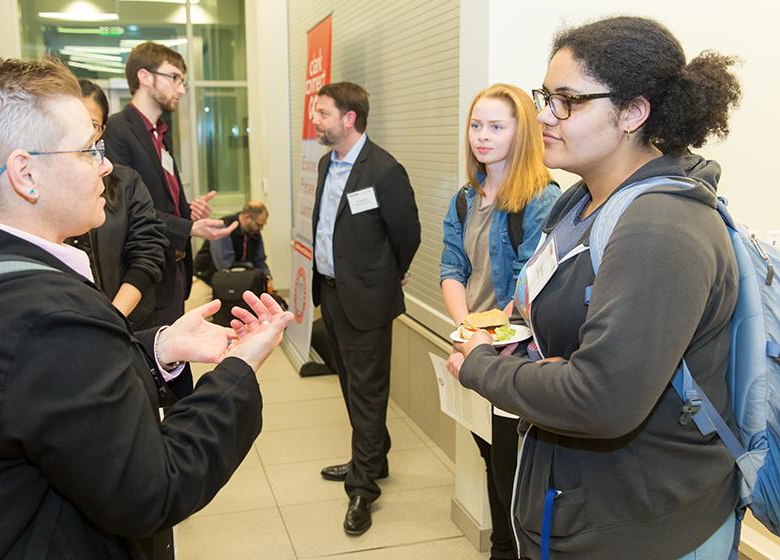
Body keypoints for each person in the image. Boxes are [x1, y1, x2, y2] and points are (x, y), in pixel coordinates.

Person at [0, 56, 293, 560]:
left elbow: (43, 395)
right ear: (25, 174)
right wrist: (237, 369)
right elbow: (153, 488)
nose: (105, 166)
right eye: (86, 151)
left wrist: (157, 346)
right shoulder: (49, 317)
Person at [446, 16, 742, 560]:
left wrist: (481, 368)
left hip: (647, 528)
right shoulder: (575, 203)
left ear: (632, 112)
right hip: (581, 505)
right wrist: (521, 345)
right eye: (545, 96)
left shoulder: (661, 228)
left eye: (567, 101)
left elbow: (603, 399)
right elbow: (548, 317)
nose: (543, 116)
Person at [440, 83, 559, 560]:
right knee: (488, 453)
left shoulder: (541, 197)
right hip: (475, 346)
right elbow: (452, 268)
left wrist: (485, 338)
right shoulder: (466, 199)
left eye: (496, 126)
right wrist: (467, 328)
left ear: (521, 131)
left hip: (515, 354)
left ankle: (508, 551)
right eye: (476, 125)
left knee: (513, 467)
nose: (482, 136)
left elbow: (527, 282)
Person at [311, 82, 421, 535]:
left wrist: (388, 274)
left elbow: (407, 233)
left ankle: (363, 488)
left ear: (349, 118)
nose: (315, 121)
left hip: (367, 297)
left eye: (322, 113)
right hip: (332, 292)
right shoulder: (325, 163)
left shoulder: (384, 170)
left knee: (368, 390)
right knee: (353, 384)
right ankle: (370, 455)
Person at [104, 41, 236, 397]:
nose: (181, 87)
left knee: (177, 367)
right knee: (154, 372)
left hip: (172, 269)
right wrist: (188, 227)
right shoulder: (118, 129)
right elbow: (126, 209)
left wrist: (186, 211)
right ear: (144, 77)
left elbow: (154, 196)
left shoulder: (159, 133)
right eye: (175, 77)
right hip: (145, 272)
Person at [66, 79, 168, 330]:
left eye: (92, 125)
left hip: (129, 323)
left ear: (102, 130)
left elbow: (148, 252)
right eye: (73, 123)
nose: (84, 134)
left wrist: (112, 317)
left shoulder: (125, 182)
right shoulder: (48, 187)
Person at [193, 200, 270, 287]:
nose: (261, 228)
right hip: (206, 279)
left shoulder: (254, 232)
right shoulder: (224, 226)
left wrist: (267, 277)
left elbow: (259, 260)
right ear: (247, 217)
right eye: (259, 224)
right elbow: (224, 264)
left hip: (234, 280)